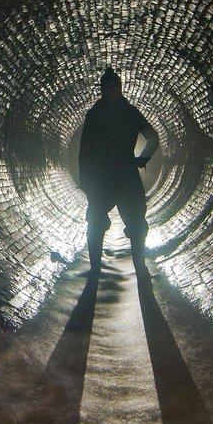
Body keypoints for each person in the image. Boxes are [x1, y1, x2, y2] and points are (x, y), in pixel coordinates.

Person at [77, 68, 159, 274]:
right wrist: (86, 180)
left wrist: (142, 159)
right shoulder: (99, 114)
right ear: (103, 89)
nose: (112, 90)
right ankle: (96, 268)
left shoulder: (124, 113)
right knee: (96, 222)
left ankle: (139, 267)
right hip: (108, 178)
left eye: (115, 86)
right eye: (109, 86)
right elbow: (85, 149)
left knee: (136, 224)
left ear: (119, 88)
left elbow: (153, 137)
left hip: (120, 177)